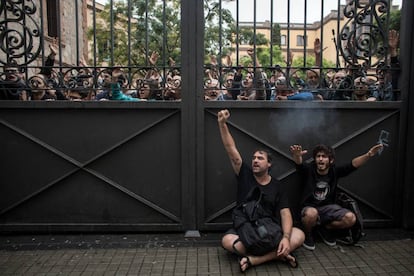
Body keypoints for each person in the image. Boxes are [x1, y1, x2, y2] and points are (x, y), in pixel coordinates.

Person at [218, 109, 304, 272]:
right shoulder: (245, 174)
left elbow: (285, 214)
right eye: (254, 158)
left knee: (298, 235)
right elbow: (231, 149)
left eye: (260, 158)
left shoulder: (277, 185)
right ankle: (278, 255)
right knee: (227, 241)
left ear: (269, 164)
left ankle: (255, 260)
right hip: (246, 228)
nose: (255, 161)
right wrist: (222, 124)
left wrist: (286, 238)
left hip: (270, 230)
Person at [289, 143, 384, 250]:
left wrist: (368, 155)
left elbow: (353, 165)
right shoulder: (309, 170)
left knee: (350, 218)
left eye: (324, 157)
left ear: (331, 160)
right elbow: (299, 164)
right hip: (309, 208)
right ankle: (308, 234)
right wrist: (297, 155)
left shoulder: (334, 171)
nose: (320, 159)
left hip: (328, 209)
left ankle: (324, 229)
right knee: (311, 213)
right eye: (318, 156)